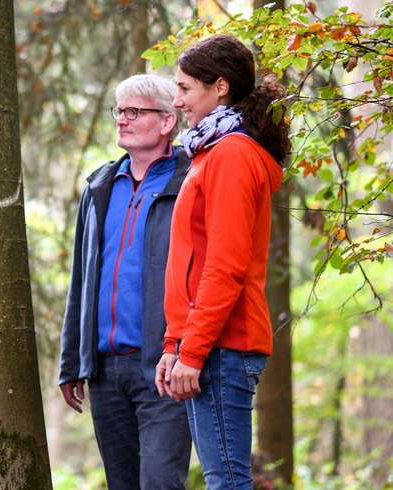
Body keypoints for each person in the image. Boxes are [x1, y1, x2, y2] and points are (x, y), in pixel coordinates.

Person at [155, 34, 291, 490]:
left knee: (228, 483)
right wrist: (174, 345)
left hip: (224, 345)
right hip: (207, 342)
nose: (176, 102)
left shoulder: (232, 155)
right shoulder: (211, 152)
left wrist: (190, 352)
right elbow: (191, 261)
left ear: (219, 86)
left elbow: (225, 266)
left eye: (184, 89)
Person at [58, 74, 192, 489]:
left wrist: (188, 350)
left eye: (135, 111)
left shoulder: (188, 180)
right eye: (120, 111)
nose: (122, 120)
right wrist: (71, 361)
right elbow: (82, 277)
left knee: (160, 483)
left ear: (168, 121)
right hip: (105, 371)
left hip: (165, 366)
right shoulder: (99, 185)